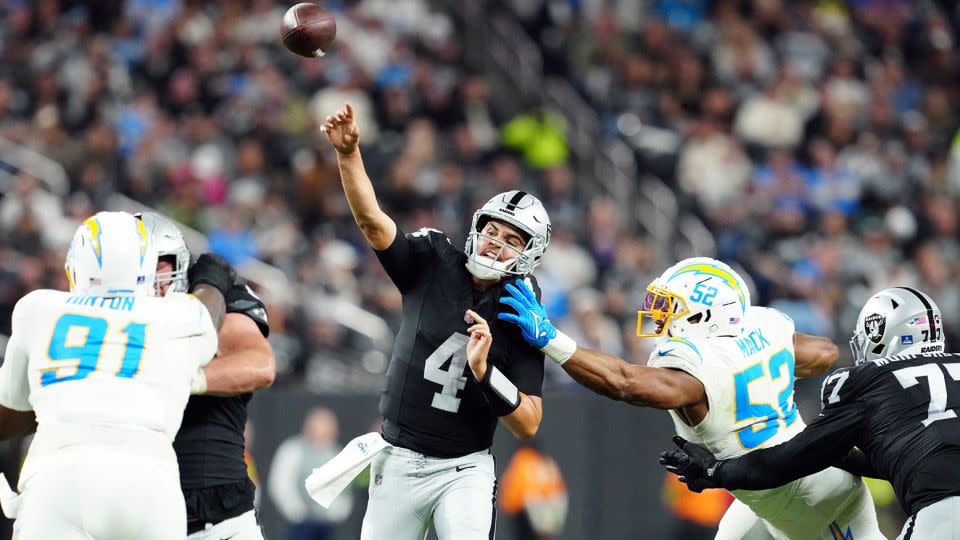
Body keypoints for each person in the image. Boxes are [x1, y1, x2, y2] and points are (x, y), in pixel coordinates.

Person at [499, 257, 884, 539]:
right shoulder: (764, 329)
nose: (660, 319)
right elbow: (825, 353)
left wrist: (552, 340)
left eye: (671, 309)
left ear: (703, 317)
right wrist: (772, 365)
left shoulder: (700, 369)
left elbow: (624, 382)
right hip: (783, 492)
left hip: (814, 501)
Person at [319, 102, 550, 539]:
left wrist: (486, 373)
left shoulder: (522, 308)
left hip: (464, 467)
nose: (495, 244)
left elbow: (530, 422)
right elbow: (373, 224)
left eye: (511, 239)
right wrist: (349, 155)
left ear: (529, 254)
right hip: (399, 456)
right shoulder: (434, 260)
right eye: (492, 231)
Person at [0, 211, 234, 539]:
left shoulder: (37, 308)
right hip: (150, 483)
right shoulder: (176, 314)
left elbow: (10, 409)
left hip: (58, 478)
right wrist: (213, 280)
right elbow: (209, 312)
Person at [660, 287, 960, 540]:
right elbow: (919, 456)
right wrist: (838, 455)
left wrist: (718, 472)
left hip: (945, 513)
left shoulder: (869, 381)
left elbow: (792, 460)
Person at [136, 212, 275, 540]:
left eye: (159, 263)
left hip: (216, 511)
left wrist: (178, 377)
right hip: (137, 507)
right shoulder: (99, 312)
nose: (150, 275)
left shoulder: (216, 296)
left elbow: (260, 365)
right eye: (137, 264)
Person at [268, 408, 353, 540]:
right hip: (300, 524)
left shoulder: (337, 453)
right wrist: (296, 511)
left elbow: (345, 488)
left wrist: (337, 512)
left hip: (328, 524)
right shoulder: (293, 449)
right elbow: (281, 484)